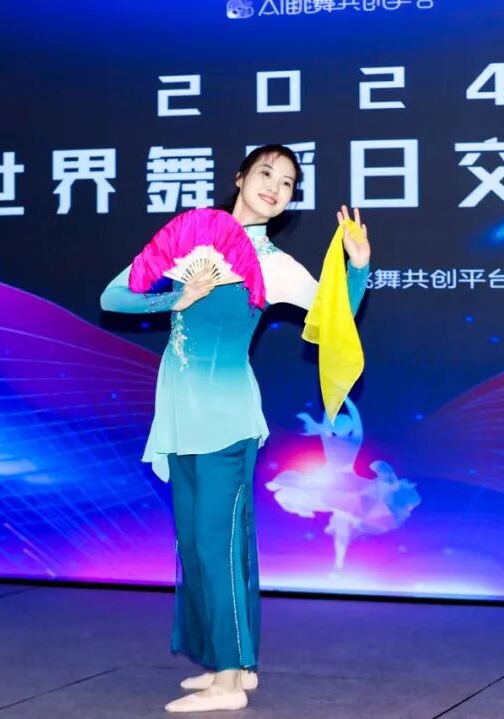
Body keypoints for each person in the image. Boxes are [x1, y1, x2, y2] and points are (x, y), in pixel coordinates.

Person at [100, 144, 371, 713]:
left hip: (226, 420)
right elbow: (113, 296)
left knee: (215, 544)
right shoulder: (192, 238)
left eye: (288, 183)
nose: (275, 187)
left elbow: (335, 317)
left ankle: (227, 682)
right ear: (241, 176)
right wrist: (179, 294)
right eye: (266, 173)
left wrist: (357, 266)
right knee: (204, 545)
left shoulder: (275, 266)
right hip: (180, 415)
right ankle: (237, 666)